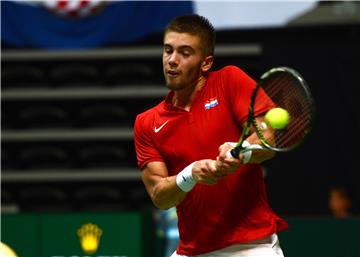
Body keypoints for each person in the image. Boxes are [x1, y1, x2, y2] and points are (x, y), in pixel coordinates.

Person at [134, 14, 288, 257]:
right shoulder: (147, 123)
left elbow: (268, 139)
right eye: (168, 50)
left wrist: (242, 151)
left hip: (251, 246)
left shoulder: (229, 81)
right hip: (193, 250)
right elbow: (159, 196)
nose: (172, 60)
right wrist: (190, 174)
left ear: (205, 63)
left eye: (185, 53)